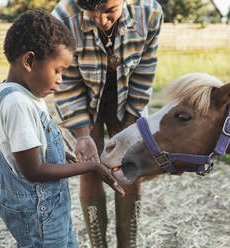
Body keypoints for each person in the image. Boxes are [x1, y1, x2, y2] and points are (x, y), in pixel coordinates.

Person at [0, 9, 124, 247]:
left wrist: (65, 156)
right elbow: (33, 171)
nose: (61, 80)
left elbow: (28, 147)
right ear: (29, 61)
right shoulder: (18, 103)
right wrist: (91, 166)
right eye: (58, 70)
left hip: (49, 210)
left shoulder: (24, 95)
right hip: (39, 214)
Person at [52, 0, 163, 247]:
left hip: (127, 98)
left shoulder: (150, 12)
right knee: (90, 168)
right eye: (91, 14)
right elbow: (66, 83)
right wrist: (83, 136)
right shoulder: (62, 18)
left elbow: (145, 70)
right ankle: (98, 244)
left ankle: (128, 243)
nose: (101, 20)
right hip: (83, 98)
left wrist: (131, 125)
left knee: (128, 167)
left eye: (110, 11)